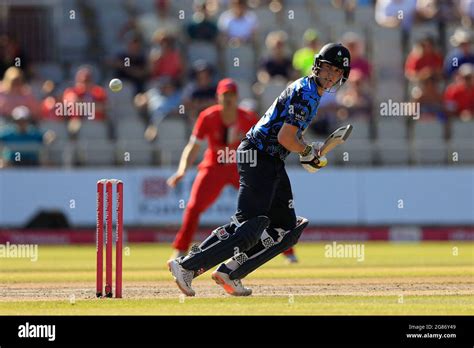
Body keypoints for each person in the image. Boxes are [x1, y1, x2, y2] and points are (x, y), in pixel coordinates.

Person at [168, 43, 351, 296]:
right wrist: (307, 152)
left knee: (286, 229)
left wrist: (309, 148)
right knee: (249, 225)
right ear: (318, 66)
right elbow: (287, 138)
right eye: (328, 67)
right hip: (258, 154)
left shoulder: (311, 91)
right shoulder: (306, 93)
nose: (331, 74)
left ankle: (230, 273)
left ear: (343, 76)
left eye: (337, 71)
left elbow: (289, 136)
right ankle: (186, 266)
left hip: (270, 158)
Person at [166, 78, 257, 259]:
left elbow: (260, 147)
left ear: (237, 97)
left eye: (231, 95)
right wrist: (182, 170)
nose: (228, 99)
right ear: (218, 97)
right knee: (193, 207)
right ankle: (180, 249)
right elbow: (193, 146)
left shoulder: (248, 117)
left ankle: (283, 249)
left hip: (239, 167)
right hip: (214, 167)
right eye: (225, 95)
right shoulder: (208, 117)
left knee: (262, 204)